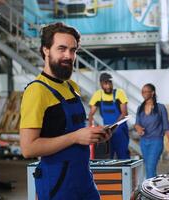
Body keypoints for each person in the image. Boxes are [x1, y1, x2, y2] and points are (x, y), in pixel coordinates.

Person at [19, 22, 111, 200]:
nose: (69, 56)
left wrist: (95, 135)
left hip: (83, 178)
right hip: (58, 183)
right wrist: (76, 137)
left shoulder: (71, 86)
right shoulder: (37, 91)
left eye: (73, 50)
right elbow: (28, 148)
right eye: (61, 49)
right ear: (46, 50)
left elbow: (76, 132)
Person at [134, 83, 169, 179]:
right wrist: (138, 128)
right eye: (142, 92)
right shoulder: (140, 108)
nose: (143, 93)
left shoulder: (160, 108)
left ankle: (149, 190)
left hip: (156, 141)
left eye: (146, 91)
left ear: (152, 93)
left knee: (150, 167)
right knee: (149, 168)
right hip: (144, 142)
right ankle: (154, 188)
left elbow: (167, 126)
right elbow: (136, 124)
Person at [88, 72, 130, 159]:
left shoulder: (119, 93)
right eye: (105, 84)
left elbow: (124, 113)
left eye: (109, 83)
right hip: (107, 131)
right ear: (101, 84)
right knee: (108, 158)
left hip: (120, 131)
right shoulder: (98, 94)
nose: (108, 86)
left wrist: (114, 126)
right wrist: (91, 128)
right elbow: (91, 114)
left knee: (123, 157)